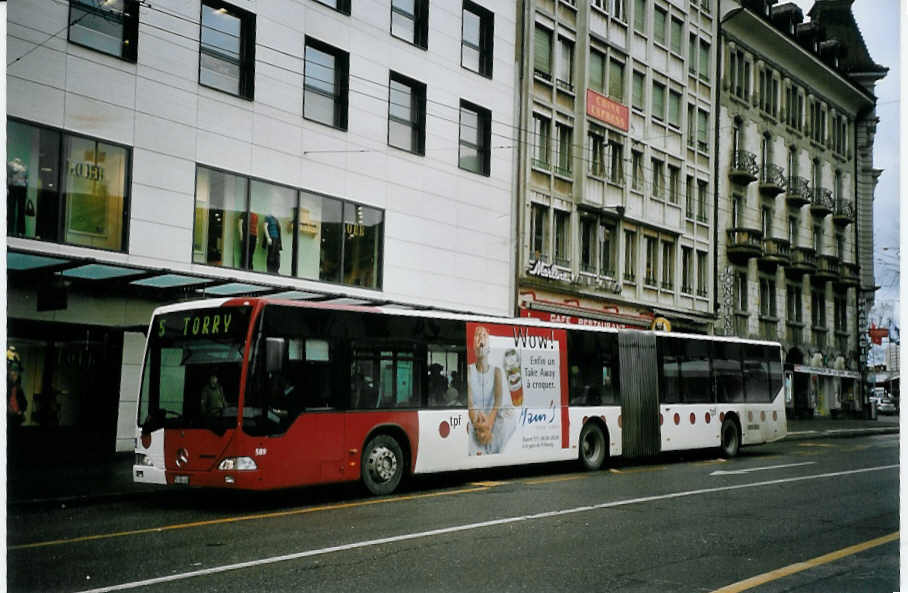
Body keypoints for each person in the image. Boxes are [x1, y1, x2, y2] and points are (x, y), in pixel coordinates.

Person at [467, 326, 514, 455]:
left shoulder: (497, 371)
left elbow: (497, 403)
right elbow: (470, 403)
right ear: (473, 345)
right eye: (477, 335)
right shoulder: (468, 371)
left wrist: (488, 424)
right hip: (476, 420)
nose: (481, 337)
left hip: (490, 422)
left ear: (490, 347)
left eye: (484, 335)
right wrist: (477, 422)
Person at [7, 346, 27, 427]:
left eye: (17, 372)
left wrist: (20, 411)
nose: (15, 374)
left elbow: (24, 403)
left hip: (16, 420)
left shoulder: (18, 387)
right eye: (13, 371)